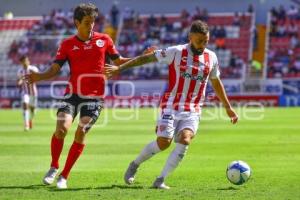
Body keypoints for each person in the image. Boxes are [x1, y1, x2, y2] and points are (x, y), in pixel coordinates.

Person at [105, 20, 239, 189]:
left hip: (193, 109)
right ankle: (135, 164)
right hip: (171, 105)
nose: (203, 45)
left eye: (206, 41)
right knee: (164, 142)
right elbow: (147, 58)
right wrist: (120, 68)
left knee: (185, 139)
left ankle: (160, 180)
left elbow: (216, 81)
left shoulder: (211, 57)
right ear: (190, 37)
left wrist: (229, 108)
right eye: (199, 41)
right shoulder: (176, 52)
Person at [23, 3, 131, 189]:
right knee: (61, 129)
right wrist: (38, 76)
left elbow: (119, 61)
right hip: (72, 95)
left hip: (94, 98)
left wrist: (142, 58)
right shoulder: (67, 44)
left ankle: (64, 175)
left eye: (93, 22)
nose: (91, 26)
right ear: (77, 22)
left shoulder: (104, 40)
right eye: (87, 22)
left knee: (81, 131)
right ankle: (54, 166)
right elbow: (55, 69)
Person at [17, 56, 39, 131]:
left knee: (32, 110)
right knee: (25, 105)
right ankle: (26, 125)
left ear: (28, 61)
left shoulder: (33, 69)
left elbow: (38, 77)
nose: (25, 62)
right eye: (23, 61)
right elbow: (19, 80)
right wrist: (19, 82)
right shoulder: (20, 71)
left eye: (26, 60)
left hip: (33, 92)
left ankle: (30, 119)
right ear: (21, 62)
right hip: (25, 92)